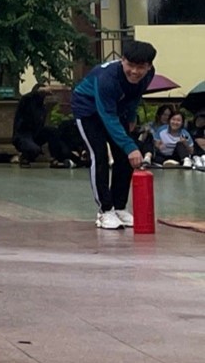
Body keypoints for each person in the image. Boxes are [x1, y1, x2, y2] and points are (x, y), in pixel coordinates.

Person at [70, 40, 156, 229]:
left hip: (117, 109)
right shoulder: (107, 77)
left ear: (148, 66)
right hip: (88, 110)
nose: (134, 72)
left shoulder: (149, 74)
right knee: (99, 155)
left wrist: (132, 116)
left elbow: (135, 94)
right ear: (122, 60)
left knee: (125, 158)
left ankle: (119, 207)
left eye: (140, 67)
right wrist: (130, 146)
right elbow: (107, 115)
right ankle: (105, 210)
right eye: (130, 65)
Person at [12, 85, 72, 167]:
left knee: (52, 131)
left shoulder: (42, 108)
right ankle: (24, 157)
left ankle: (54, 158)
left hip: (35, 134)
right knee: (34, 149)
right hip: (23, 134)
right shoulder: (26, 102)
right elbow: (27, 97)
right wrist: (40, 91)